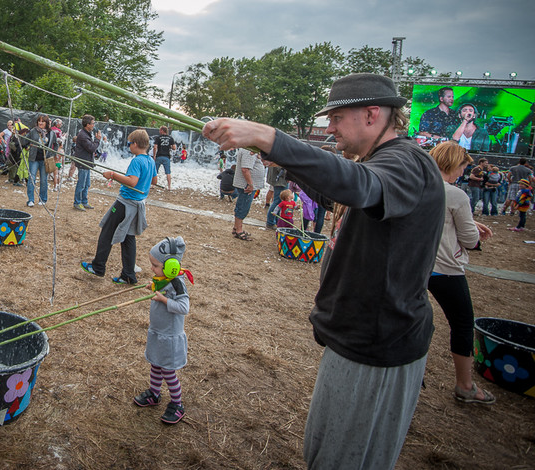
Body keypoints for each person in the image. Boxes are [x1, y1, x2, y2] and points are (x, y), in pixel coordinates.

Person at [202, 73, 445, 470]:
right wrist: (280, 157)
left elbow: (360, 187)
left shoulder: (407, 162)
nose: (329, 127)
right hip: (353, 339)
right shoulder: (378, 161)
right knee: (322, 455)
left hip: (377, 346)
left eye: (336, 117)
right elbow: (339, 186)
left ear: (372, 114)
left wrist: (269, 137)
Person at [427, 141, 496, 404]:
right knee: (463, 323)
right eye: (462, 168)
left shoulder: (420, 185)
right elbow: (468, 239)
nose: (462, 174)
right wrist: (473, 231)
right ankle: (465, 385)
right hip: (446, 269)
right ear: (453, 164)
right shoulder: (456, 195)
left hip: (418, 265)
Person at [80, 129, 156, 284]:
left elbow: (132, 182)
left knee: (107, 231)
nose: (129, 146)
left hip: (125, 203)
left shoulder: (137, 160)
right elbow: (154, 181)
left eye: (129, 144)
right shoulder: (150, 160)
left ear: (135, 144)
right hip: (137, 205)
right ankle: (128, 275)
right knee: (128, 238)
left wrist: (113, 176)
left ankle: (98, 267)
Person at [133, 236, 192, 425]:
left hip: (170, 336)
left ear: (171, 267)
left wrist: (164, 300)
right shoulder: (165, 278)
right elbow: (161, 286)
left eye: (155, 265)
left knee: (168, 371)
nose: (152, 268)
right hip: (158, 332)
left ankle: (177, 404)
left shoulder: (177, 282)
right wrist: (154, 286)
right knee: (155, 364)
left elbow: (184, 307)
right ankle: (154, 393)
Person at [230, 147, 265, 241]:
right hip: (246, 185)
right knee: (243, 206)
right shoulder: (248, 150)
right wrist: (250, 184)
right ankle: (239, 230)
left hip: (247, 184)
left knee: (242, 205)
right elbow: (245, 169)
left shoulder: (251, 149)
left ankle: (236, 227)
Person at [72, 114, 102, 211]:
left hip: (87, 163)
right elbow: (91, 148)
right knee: (81, 184)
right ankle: (77, 202)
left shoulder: (87, 134)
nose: (94, 125)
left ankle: (84, 201)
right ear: (87, 124)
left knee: (87, 184)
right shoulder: (83, 135)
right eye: (92, 123)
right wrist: (98, 140)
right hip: (83, 163)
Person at [25, 115, 54, 208]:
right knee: (31, 179)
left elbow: (56, 144)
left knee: (43, 180)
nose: (40, 123)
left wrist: (52, 154)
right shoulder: (33, 131)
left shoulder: (51, 133)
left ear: (46, 123)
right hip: (34, 159)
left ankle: (43, 199)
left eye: (42, 121)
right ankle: (30, 200)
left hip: (45, 160)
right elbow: (24, 141)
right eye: (39, 121)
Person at [264, 161, 288, 230]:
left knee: (278, 201)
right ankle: (270, 222)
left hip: (277, 179)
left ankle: (276, 221)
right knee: (278, 201)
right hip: (280, 180)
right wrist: (288, 175)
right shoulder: (281, 153)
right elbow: (280, 167)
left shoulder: (276, 152)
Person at [153, 126, 174, 190]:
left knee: (155, 171)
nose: (159, 131)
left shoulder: (158, 138)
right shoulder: (170, 138)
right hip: (166, 157)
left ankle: (153, 185)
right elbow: (174, 148)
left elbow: (155, 147)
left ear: (162, 130)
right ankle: (169, 187)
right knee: (168, 172)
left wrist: (154, 156)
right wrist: (169, 146)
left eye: (160, 130)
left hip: (159, 156)